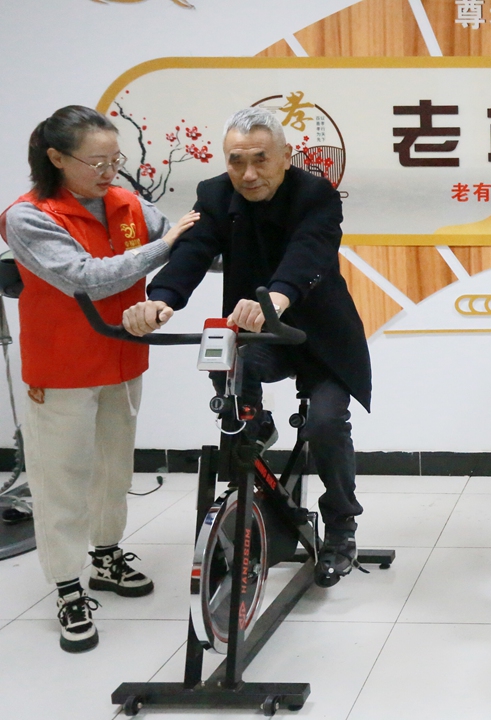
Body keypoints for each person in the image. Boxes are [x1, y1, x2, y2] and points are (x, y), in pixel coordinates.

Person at [121, 107, 371, 587]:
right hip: (259, 333)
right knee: (231, 373)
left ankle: (341, 528)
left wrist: (277, 295)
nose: (249, 174)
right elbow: (193, 251)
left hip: (319, 334)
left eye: (261, 160)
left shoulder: (315, 193)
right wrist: (161, 299)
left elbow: (310, 250)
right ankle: (255, 446)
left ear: (286, 157)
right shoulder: (214, 194)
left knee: (325, 422)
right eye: (237, 161)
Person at [0, 105, 198, 652]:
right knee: (61, 479)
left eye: (116, 159)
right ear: (56, 158)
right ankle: (66, 585)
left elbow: (184, 241)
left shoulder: (126, 201)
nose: (110, 171)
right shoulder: (30, 217)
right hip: (61, 368)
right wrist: (168, 244)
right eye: (97, 162)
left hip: (122, 358)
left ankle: (106, 555)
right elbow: (86, 278)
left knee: (113, 468)